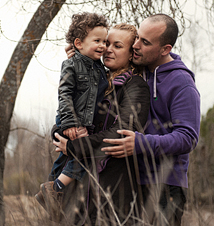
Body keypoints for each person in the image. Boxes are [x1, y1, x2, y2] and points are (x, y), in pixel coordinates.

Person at [56, 14, 201, 225]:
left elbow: (188, 138)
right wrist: (81, 59)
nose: (136, 46)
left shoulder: (181, 82)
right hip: (132, 179)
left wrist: (141, 143)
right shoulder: (140, 72)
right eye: (137, 38)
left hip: (164, 182)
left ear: (165, 49)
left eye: (145, 42)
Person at [44, 23, 151, 225]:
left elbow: (122, 132)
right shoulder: (94, 81)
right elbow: (67, 112)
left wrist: (74, 146)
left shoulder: (135, 86)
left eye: (117, 46)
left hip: (113, 190)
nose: (108, 49)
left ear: (131, 54)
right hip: (80, 190)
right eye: (106, 43)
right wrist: (60, 132)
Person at [35, 12, 109, 221]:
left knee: (65, 158)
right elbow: (64, 93)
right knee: (83, 156)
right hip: (72, 120)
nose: (103, 45)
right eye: (97, 41)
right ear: (78, 43)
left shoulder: (99, 68)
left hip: (84, 123)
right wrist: (70, 123)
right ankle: (56, 188)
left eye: (104, 41)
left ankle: (50, 190)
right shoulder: (71, 64)